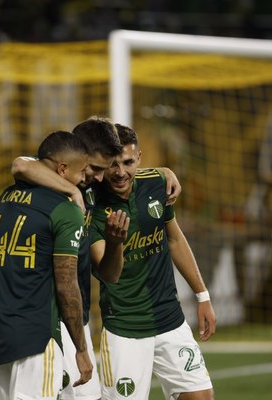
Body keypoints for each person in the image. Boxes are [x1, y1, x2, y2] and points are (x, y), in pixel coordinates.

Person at [10, 116, 181, 400]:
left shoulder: (93, 183)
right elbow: (20, 164)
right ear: (80, 157)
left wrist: (163, 172)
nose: (103, 176)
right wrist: (69, 191)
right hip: (47, 315)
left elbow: (126, 172)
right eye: (99, 168)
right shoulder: (58, 179)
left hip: (76, 315)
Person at [89, 124, 215, 400]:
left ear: (139, 158)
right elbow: (108, 274)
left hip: (169, 318)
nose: (120, 172)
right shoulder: (90, 204)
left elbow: (175, 240)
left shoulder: (157, 183)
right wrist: (115, 242)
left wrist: (202, 295)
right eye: (111, 164)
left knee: (201, 397)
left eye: (127, 162)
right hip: (125, 327)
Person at [0, 131, 93, 400]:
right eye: (81, 172)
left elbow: (23, 165)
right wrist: (81, 349)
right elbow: (67, 286)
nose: (83, 180)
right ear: (62, 169)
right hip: (37, 337)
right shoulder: (65, 211)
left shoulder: (3, 200)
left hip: (0, 336)